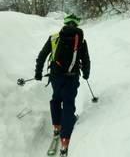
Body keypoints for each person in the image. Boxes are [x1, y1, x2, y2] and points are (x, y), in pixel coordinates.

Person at [34, 14, 90, 157]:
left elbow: (42, 55)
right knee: (68, 103)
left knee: (56, 99)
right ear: (76, 25)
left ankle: (57, 128)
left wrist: (38, 72)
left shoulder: (54, 37)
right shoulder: (81, 40)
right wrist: (86, 74)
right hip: (72, 77)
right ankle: (65, 139)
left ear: (64, 24)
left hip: (56, 76)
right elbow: (86, 59)